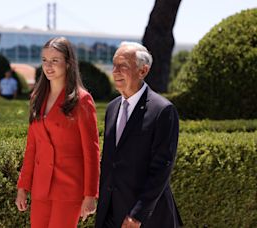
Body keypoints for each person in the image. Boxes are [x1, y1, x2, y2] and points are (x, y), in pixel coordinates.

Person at [95, 42, 183, 228]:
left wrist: (138, 214)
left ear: (143, 71)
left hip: (145, 219)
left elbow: (161, 169)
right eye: (114, 65)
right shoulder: (112, 108)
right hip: (110, 214)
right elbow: (110, 161)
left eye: (123, 66)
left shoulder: (163, 111)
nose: (115, 71)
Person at [15, 37, 100, 228]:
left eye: (55, 60)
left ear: (68, 63)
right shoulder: (37, 97)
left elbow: (91, 152)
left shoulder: (82, 100)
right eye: (45, 60)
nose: (48, 66)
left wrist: (90, 195)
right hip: (40, 189)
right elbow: (32, 147)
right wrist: (23, 187)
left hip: (69, 189)